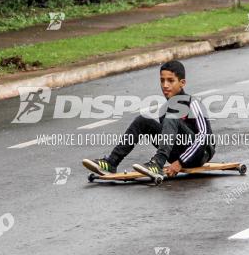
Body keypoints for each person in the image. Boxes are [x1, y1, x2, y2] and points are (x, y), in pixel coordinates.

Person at [83, 60, 215, 178]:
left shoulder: (192, 103)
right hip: (177, 152)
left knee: (172, 116)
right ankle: (111, 162)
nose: (165, 85)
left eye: (170, 80)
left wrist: (180, 162)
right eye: (162, 80)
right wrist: (176, 160)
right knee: (142, 120)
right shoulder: (164, 109)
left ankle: (157, 163)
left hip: (201, 153)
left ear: (182, 83)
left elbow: (204, 138)